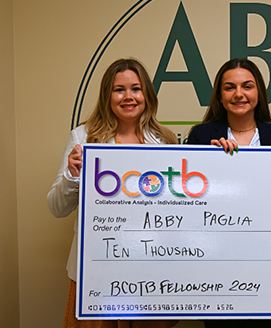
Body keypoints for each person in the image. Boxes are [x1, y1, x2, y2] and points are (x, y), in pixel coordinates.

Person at [47, 58, 179, 328]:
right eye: (119, 89)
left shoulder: (165, 140)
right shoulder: (83, 138)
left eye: (136, 88)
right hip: (97, 268)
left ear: (147, 95)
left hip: (150, 267)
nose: (128, 97)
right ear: (107, 95)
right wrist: (72, 174)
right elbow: (56, 208)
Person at [188, 58, 271, 328]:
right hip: (215, 263)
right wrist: (211, 163)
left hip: (268, 260)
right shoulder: (201, 137)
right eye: (229, 87)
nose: (239, 94)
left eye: (247, 86)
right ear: (220, 96)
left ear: (258, 92)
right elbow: (189, 202)